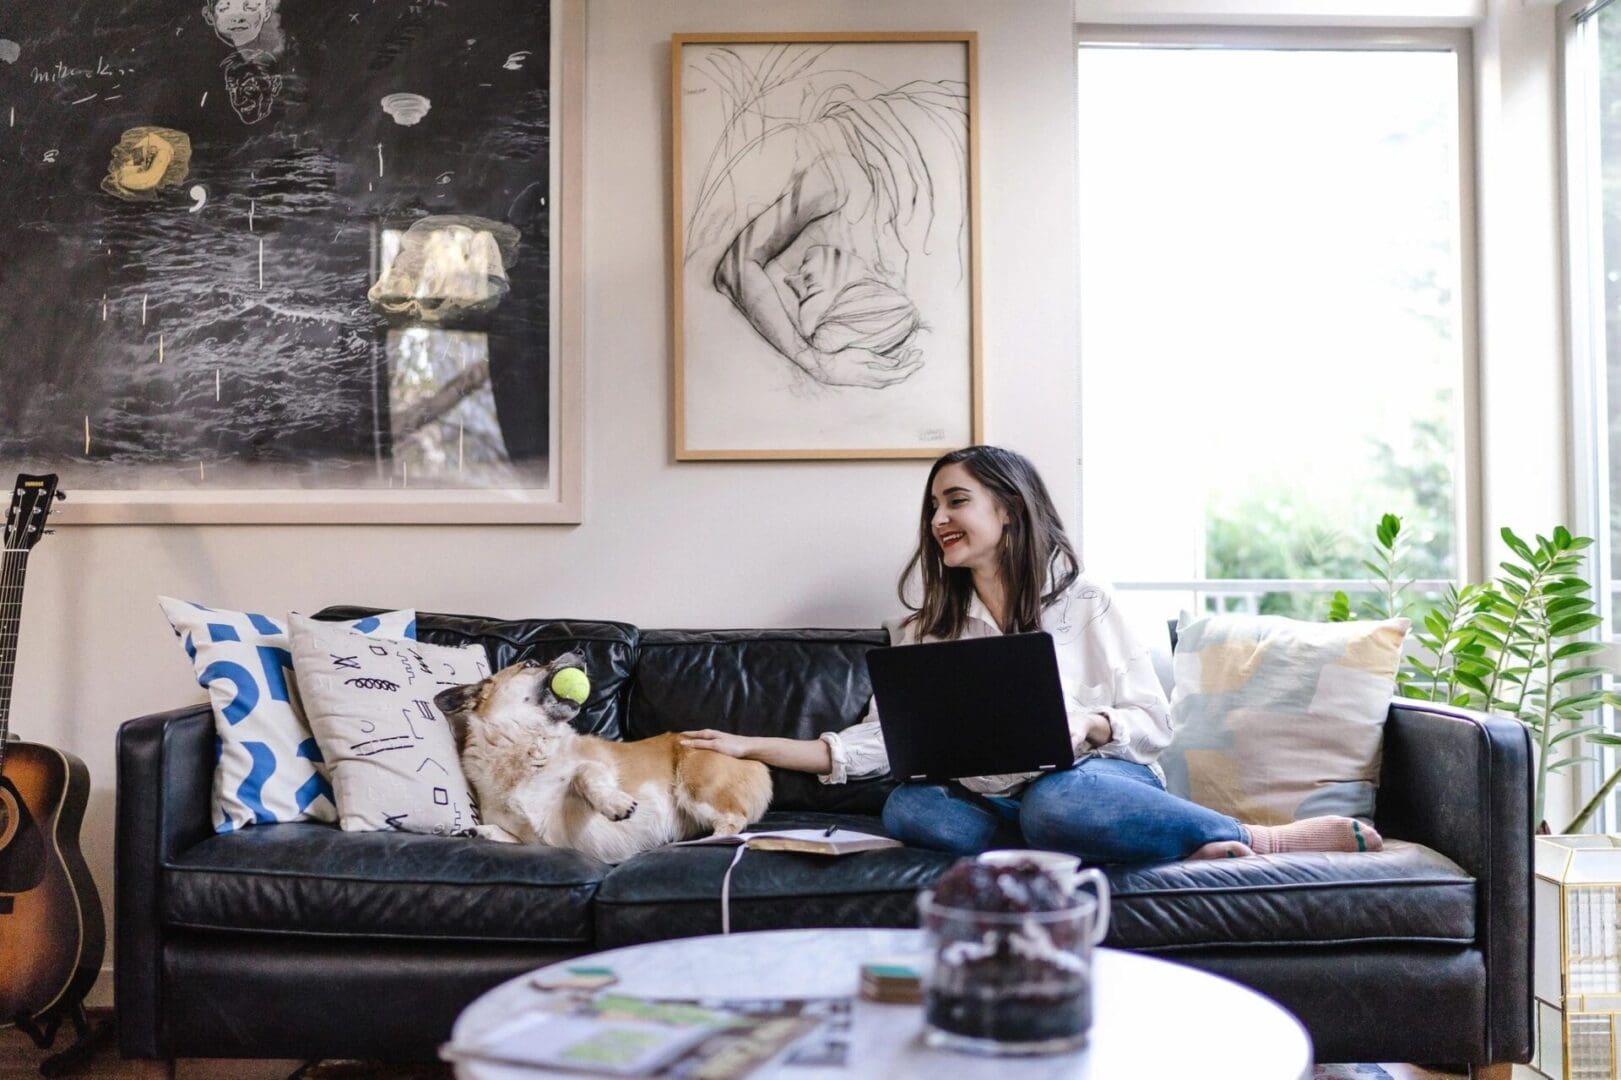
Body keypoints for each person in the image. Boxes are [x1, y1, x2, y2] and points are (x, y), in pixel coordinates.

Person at [681, 445, 1384, 864]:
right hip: (986, 804)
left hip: (1091, 783)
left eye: (955, 501)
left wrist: (1091, 726)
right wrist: (753, 745)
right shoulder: (924, 628)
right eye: (933, 508)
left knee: (1056, 801)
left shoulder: (1085, 603)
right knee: (911, 810)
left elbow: (1150, 721)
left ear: (1008, 508)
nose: (937, 521)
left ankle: (1256, 842)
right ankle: (1107, 849)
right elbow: (875, 744)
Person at [687, 67, 968, 390]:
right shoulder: (848, 181)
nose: (790, 280)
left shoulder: (860, 192)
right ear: (867, 289)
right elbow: (734, 269)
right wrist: (814, 361)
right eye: (811, 289)